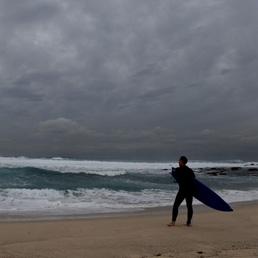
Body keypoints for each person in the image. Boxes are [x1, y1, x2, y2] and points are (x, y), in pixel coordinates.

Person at [167, 156, 195, 227]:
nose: (178, 161)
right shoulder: (190, 170)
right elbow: (194, 180)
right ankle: (188, 222)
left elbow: (176, 177)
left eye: (179, 160)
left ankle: (173, 222)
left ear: (181, 161)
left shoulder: (178, 170)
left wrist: (173, 173)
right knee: (189, 206)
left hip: (182, 190)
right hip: (190, 190)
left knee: (176, 205)